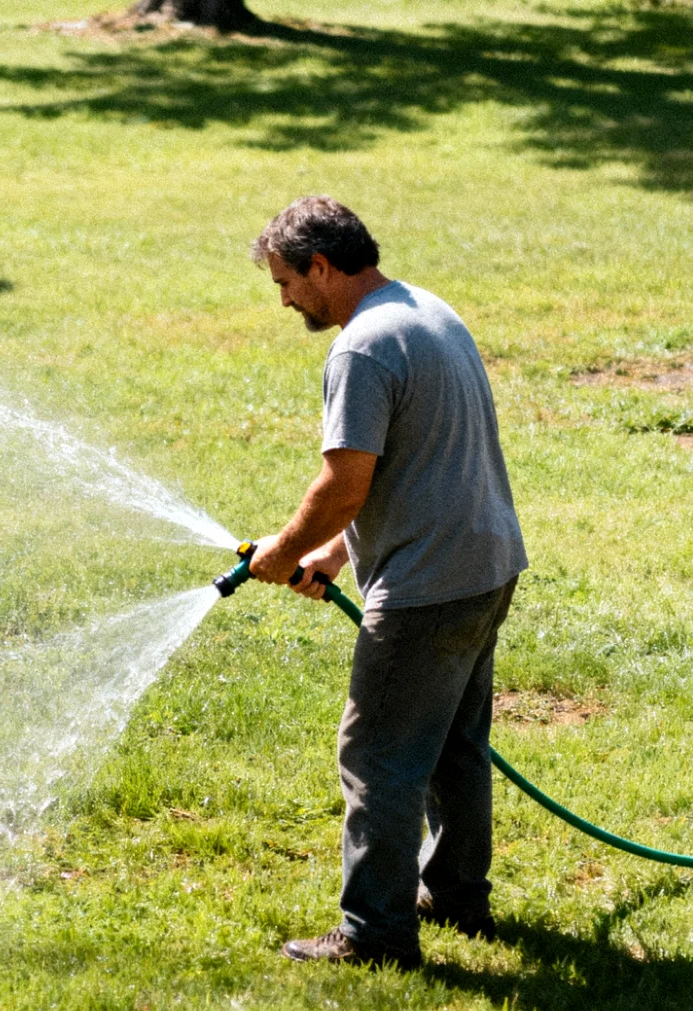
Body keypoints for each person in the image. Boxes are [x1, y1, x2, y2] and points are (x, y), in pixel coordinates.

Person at [244, 195, 528, 970]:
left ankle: (375, 933)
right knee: (455, 746)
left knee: (378, 756)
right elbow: (413, 462)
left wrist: (282, 551)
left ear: (321, 266)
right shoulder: (427, 311)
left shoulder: (361, 350)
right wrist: (336, 553)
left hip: (426, 584)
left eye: (286, 282)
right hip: (485, 565)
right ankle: (457, 893)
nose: (285, 300)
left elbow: (344, 483)